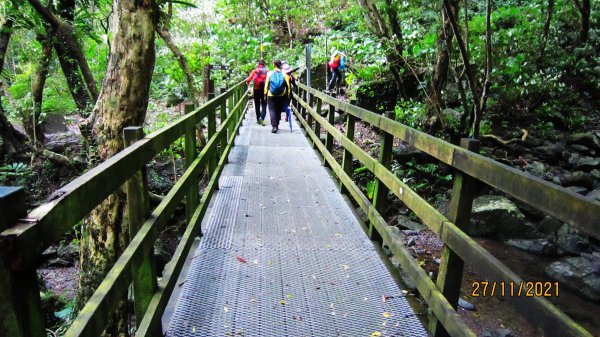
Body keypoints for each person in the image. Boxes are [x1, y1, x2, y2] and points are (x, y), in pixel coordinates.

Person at [264, 60, 291, 133]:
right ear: (280, 65)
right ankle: (277, 124)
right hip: (281, 95)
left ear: (274, 65)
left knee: (272, 110)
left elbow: (266, 85)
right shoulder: (284, 74)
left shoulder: (269, 73)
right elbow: (288, 86)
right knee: (278, 110)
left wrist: (265, 93)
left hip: (271, 95)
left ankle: (274, 126)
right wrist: (288, 95)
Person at [245, 59, 268, 125]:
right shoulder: (267, 71)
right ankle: (262, 118)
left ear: (258, 64)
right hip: (264, 90)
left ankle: (258, 118)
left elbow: (249, 79)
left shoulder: (255, 71)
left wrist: (247, 82)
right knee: (264, 104)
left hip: (256, 89)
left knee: (257, 104)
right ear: (264, 64)